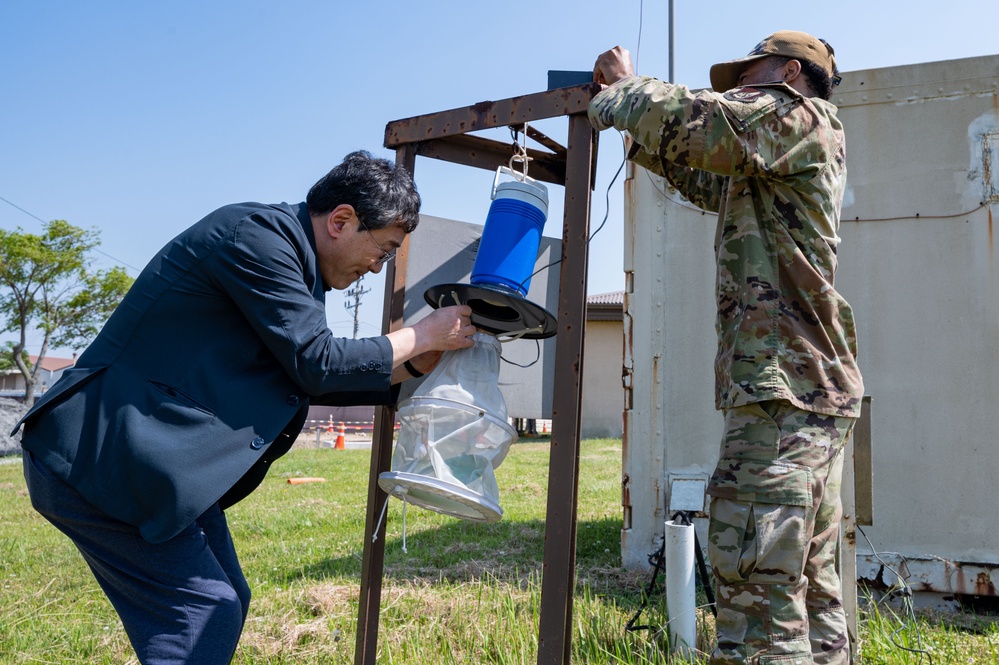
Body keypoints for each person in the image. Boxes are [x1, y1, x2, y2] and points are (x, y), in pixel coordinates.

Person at [12, 150, 476, 664]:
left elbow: (300, 377)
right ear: (342, 220)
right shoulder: (257, 236)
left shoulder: (291, 261)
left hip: (147, 462)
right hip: (101, 456)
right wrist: (420, 334)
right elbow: (316, 361)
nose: (377, 268)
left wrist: (411, 367)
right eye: (383, 251)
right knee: (202, 610)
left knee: (226, 598)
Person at [589, 31, 864, 665]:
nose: (738, 85)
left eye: (752, 73)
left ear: (791, 74)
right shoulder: (772, 161)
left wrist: (627, 89)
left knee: (757, 584)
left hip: (784, 390)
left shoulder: (802, 115)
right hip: (807, 392)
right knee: (808, 585)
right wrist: (635, 127)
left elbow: (702, 123)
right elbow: (700, 167)